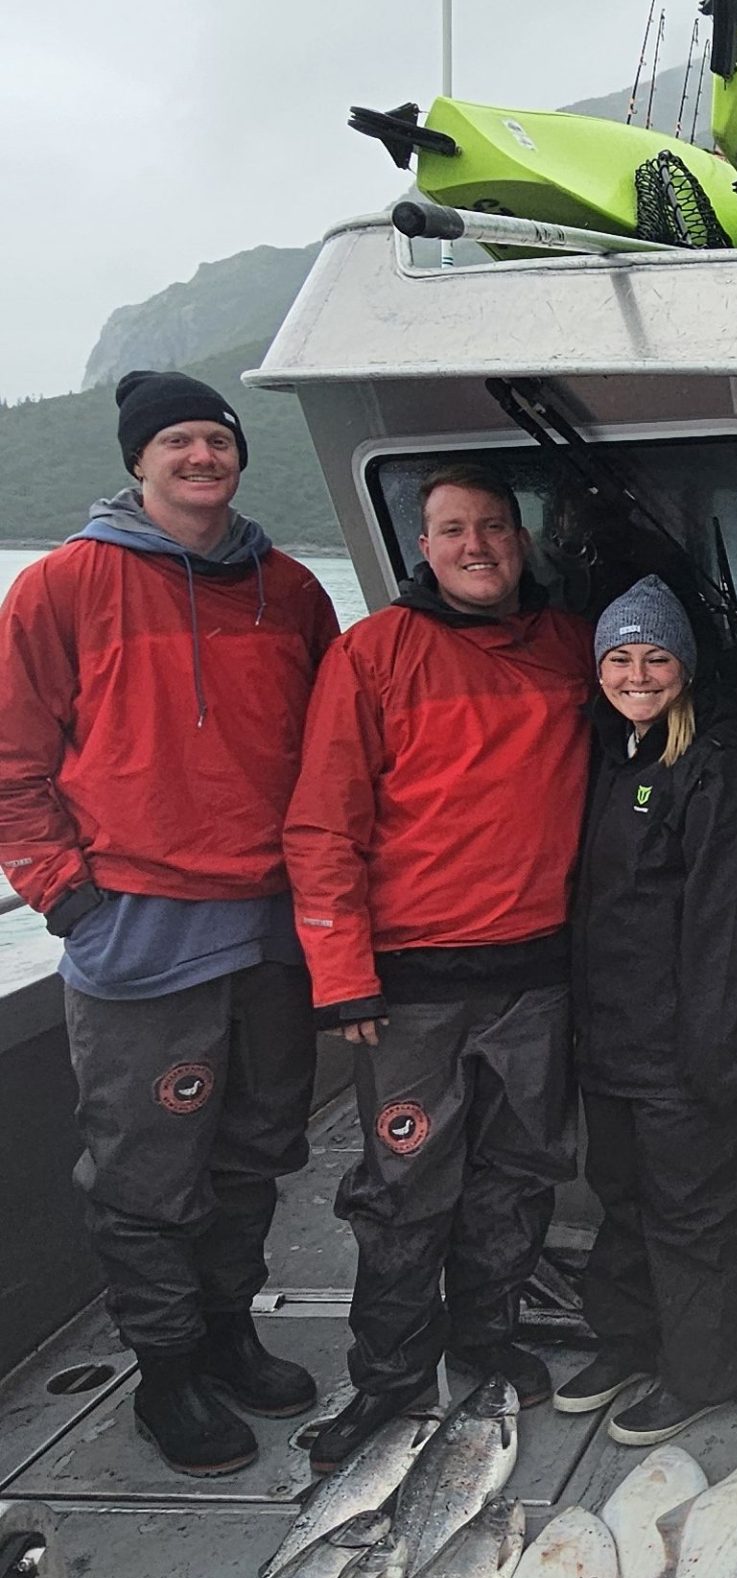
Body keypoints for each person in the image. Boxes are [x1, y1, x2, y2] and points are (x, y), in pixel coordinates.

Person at [0, 372, 339, 1476]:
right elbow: (10, 761)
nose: (202, 457)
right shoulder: (61, 586)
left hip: (273, 929)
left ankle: (229, 1331)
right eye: (178, 441)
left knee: (254, 1151)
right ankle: (168, 1371)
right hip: (141, 940)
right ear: (139, 460)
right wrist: (63, 892)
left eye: (218, 440)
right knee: (147, 1175)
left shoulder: (291, 590)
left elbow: (334, 751)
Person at [283, 464, 592, 1470]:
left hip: (537, 976)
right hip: (411, 986)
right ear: (424, 547)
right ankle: (389, 1375)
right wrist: (342, 974)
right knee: (405, 1187)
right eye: (454, 529)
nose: (476, 546)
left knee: (518, 1173)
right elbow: (322, 824)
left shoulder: (572, 647)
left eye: (494, 527)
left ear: (521, 541)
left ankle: (486, 1340)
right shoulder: (372, 654)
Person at [555, 577, 737, 1447]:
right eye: (620, 658)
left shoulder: (721, 765)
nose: (638, 675)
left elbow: (731, 926)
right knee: (622, 1200)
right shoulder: (612, 755)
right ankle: (629, 1341)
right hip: (613, 1040)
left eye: (656, 657)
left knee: (696, 1214)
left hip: (687, 1050)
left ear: (685, 666)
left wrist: (717, 1059)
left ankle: (701, 1373)